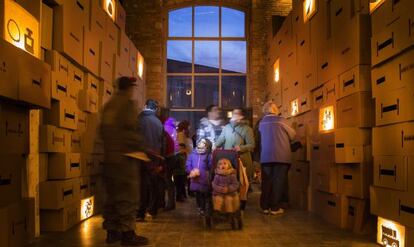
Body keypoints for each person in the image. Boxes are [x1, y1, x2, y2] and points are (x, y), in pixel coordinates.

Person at [100, 76, 149, 246]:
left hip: (109, 159)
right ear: (129, 88)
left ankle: (112, 232)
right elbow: (131, 131)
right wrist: (141, 148)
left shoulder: (108, 105)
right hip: (126, 159)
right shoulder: (127, 104)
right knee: (128, 197)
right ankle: (128, 234)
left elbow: (103, 133)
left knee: (112, 197)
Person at [258, 101, 296, 216]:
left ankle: (265, 206)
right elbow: (293, 135)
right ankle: (275, 208)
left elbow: (257, 139)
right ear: (275, 110)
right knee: (278, 182)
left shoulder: (261, 123)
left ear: (265, 110)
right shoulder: (282, 121)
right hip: (281, 156)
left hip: (265, 156)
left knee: (266, 181)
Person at [215, 108, 254, 210]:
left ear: (241, 116)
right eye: (234, 113)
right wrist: (212, 146)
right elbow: (219, 141)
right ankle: (228, 204)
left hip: (243, 161)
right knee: (229, 181)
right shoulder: (227, 128)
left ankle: (241, 205)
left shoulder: (247, 129)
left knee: (242, 183)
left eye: (237, 113)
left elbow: (252, 145)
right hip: (229, 160)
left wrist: (241, 148)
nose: (234, 115)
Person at [137, 99, 164, 221]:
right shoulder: (158, 122)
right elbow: (162, 142)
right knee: (153, 185)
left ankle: (140, 212)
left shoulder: (140, 119)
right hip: (155, 158)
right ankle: (153, 210)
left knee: (142, 186)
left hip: (141, 157)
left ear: (145, 106)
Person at [186, 138, 213, 216]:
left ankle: (204, 208)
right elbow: (188, 164)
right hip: (195, 179)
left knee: (204, 194)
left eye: (203, 144)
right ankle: (200, 207)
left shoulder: (208, 155)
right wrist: (191, 170)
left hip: (204, 179)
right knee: (198, 194)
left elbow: (211, 166)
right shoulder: (192, 154)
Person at [174, 120, 192, 202]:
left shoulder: (184, 134)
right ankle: (180, 195)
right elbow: (181, 145)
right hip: (182, 158)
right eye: (188, 125)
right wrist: (185, 153)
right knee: (181, 177)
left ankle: (183, 194)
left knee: (183, 177)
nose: (190, 127)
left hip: (185, 157)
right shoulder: (181, 134)